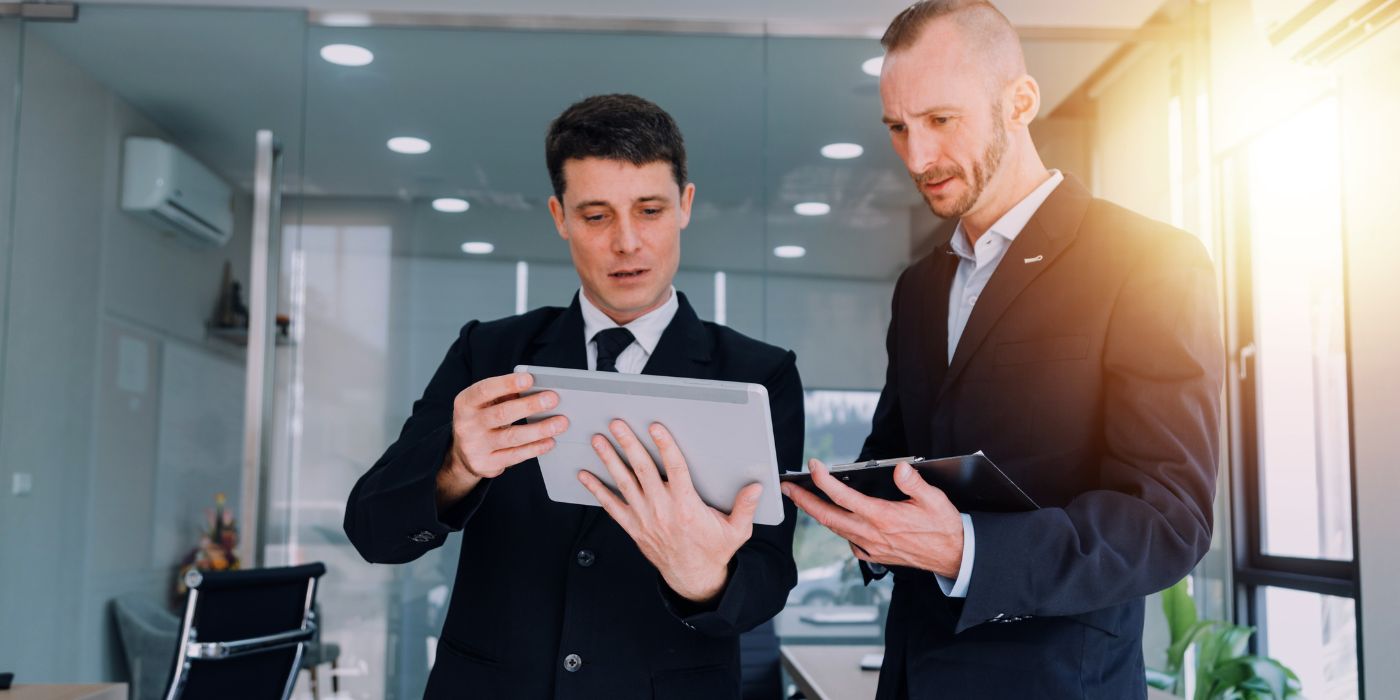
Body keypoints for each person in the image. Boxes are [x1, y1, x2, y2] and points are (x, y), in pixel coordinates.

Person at [780, 2, 1225, 698]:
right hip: (912, 674)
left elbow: (1169, 518)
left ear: (1020, 102)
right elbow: (901, 456)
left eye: (940, 120)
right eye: (898, 128)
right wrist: (849, 506)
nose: (917, 157)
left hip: (1056, 682)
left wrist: (969, 550)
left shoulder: (1149, 261)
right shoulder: (921, 288)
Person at [344, 94, 803, 699]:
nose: (627, 242)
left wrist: (704, 577)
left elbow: (769, 575)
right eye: (596, 216)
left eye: (649, 210)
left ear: (684, 206)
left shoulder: (757, 374)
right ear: (559, 216)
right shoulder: (487, 355)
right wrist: (457, 466)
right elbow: (373, 531)